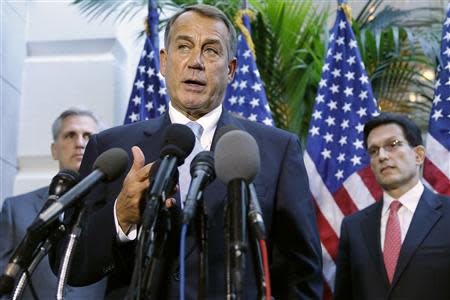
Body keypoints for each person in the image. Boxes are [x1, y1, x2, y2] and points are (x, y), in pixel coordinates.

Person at [51, 5, 323, 299]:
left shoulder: (277, 149)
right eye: (184, 46)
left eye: (211, 51)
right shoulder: (111, 149)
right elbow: (71, 265)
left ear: (230, 70)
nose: (196, 62)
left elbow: (301, 274)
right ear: (164, 62)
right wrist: (121, 215)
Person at [334, 112, 450, 300]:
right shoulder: (353, 227)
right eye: (373, 150)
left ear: (418, 155)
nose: (382, 156)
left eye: (393, 145)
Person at [0, 108, 107, 299]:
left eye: (88, 136)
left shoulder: (113, 209)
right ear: (54, 150)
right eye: (70, 135)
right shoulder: (15, 209)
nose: (80, 143)